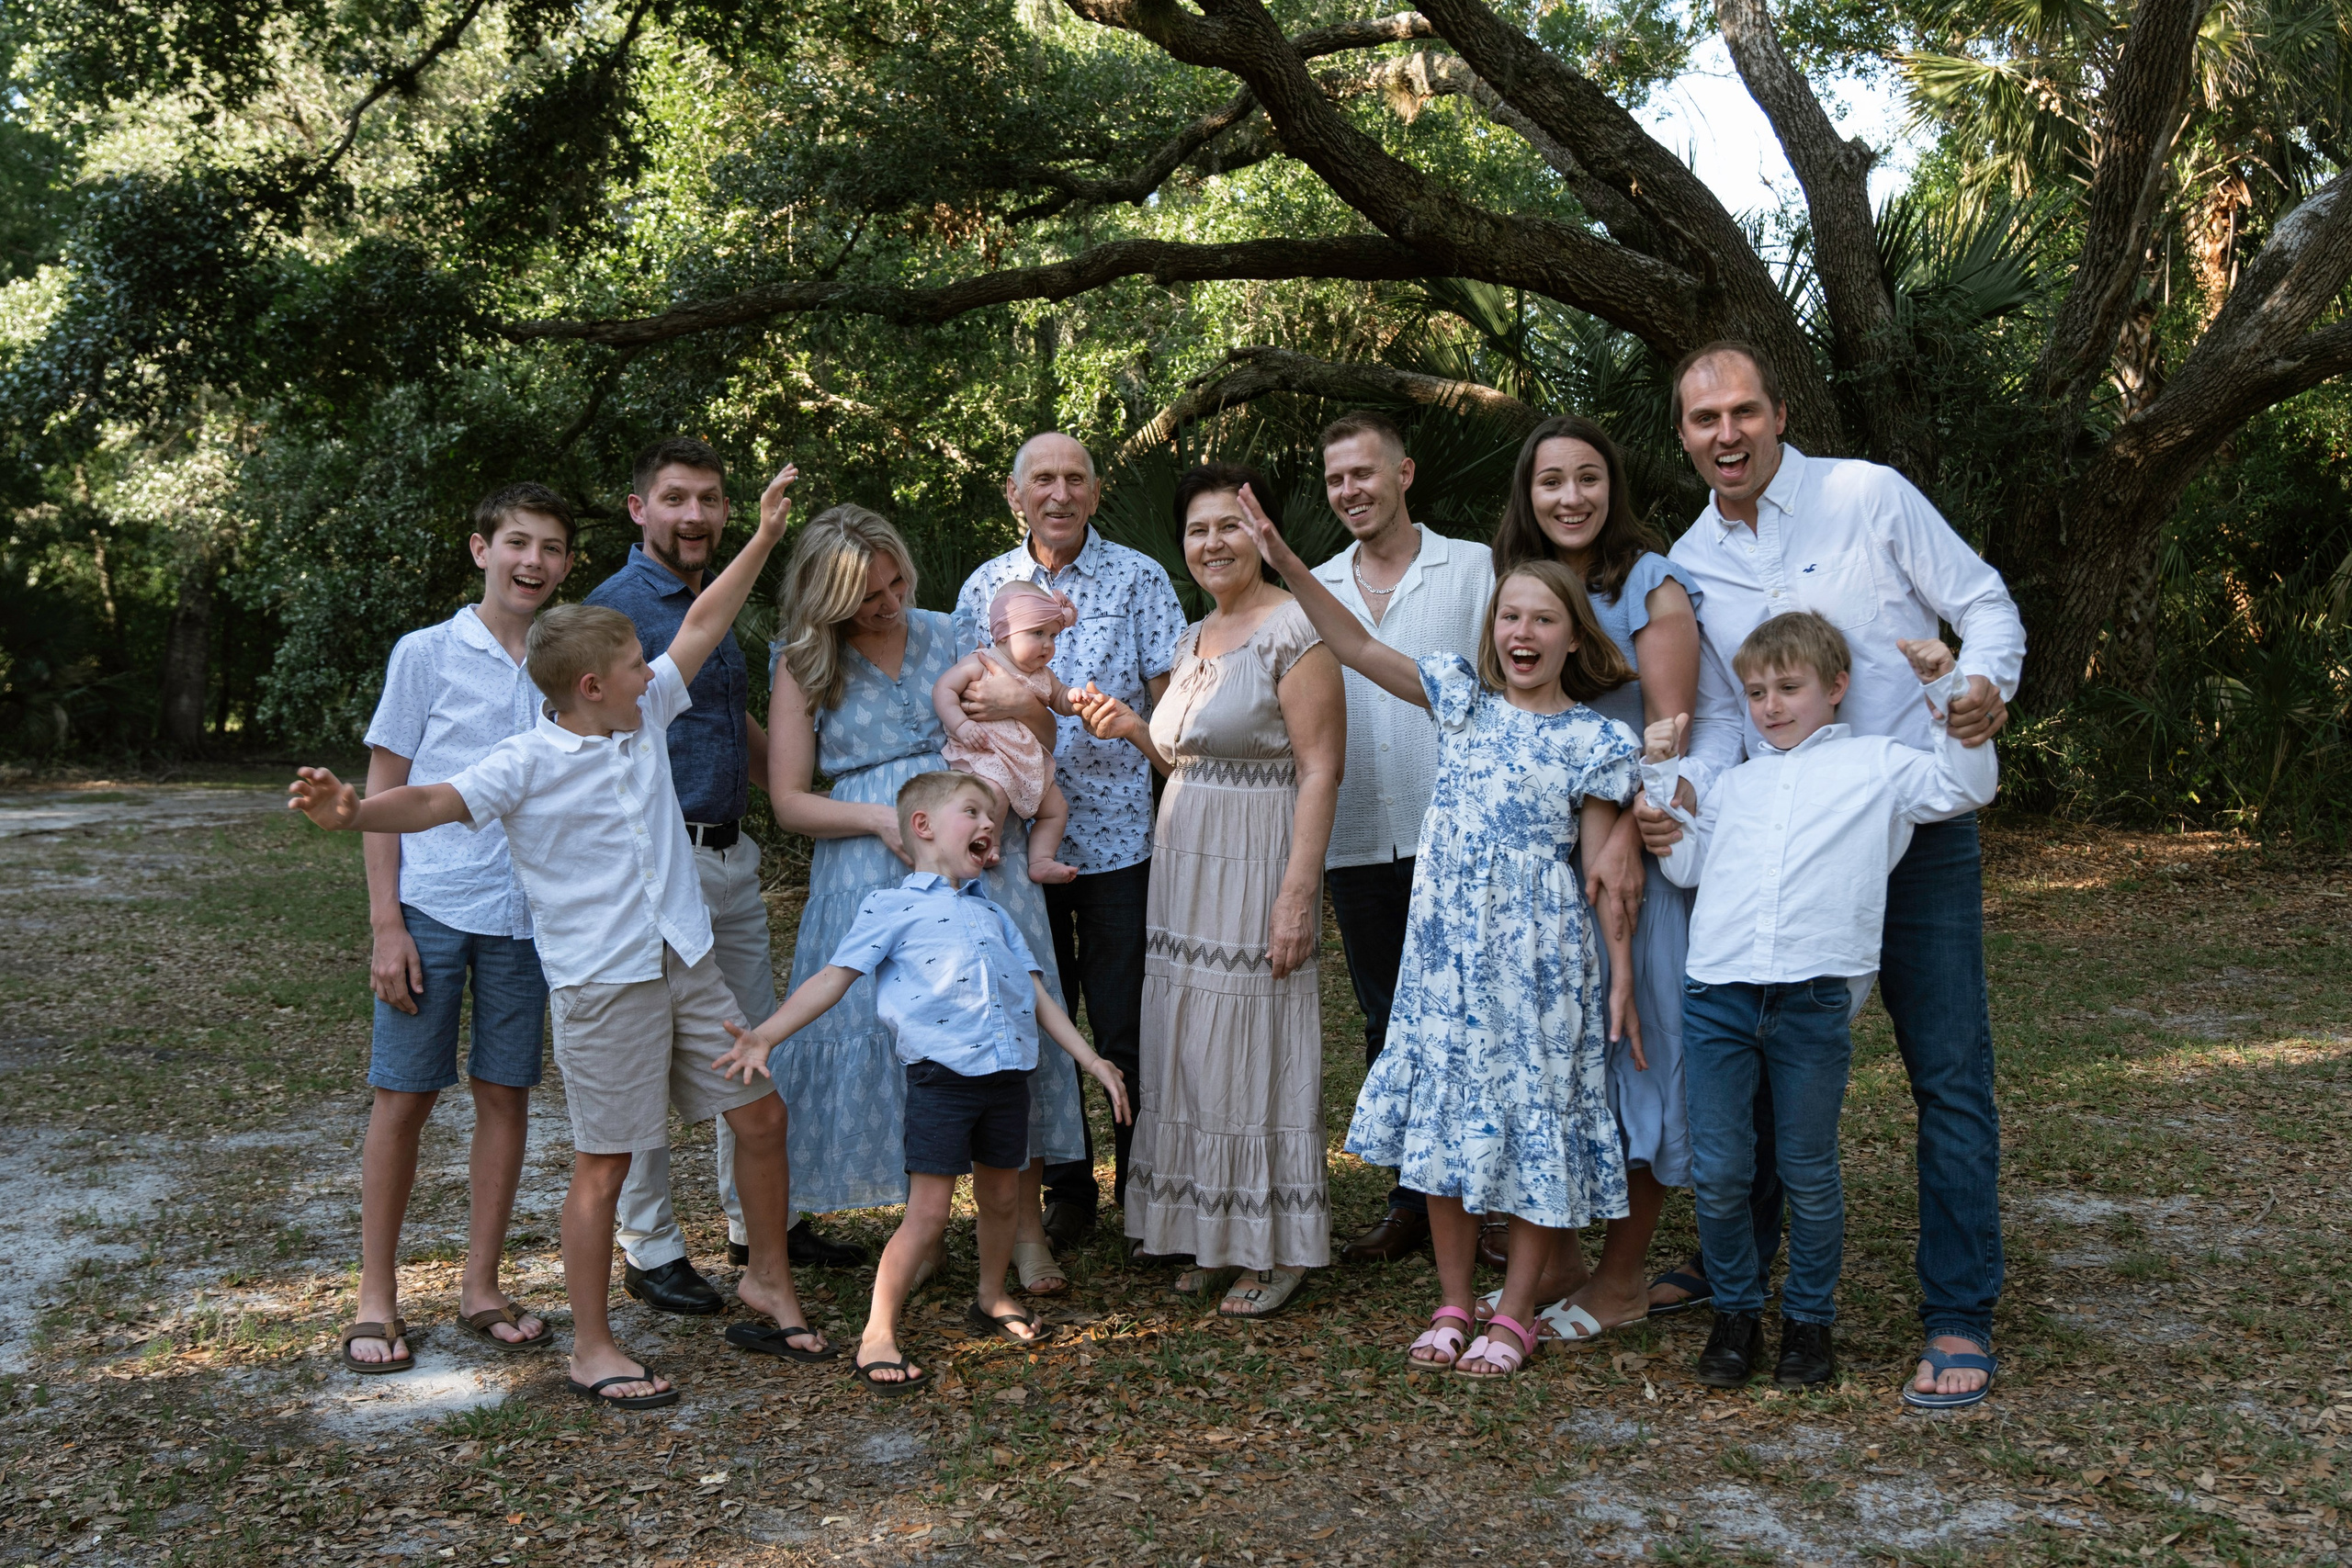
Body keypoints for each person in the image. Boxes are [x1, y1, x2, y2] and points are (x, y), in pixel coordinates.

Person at [288, 468, 824, 1409]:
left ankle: (767, 1281)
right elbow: (432, 798)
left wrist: (766, 538)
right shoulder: (523, 762)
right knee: (604, 1164)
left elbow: (704, 624)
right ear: (592, 685)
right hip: (604, 984)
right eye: (636, 662)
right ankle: (592, 1347)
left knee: (762, 1116)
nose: (654, 671)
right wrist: (355, 812)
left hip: (686, 961)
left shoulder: (643, 715)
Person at [1641, 341, 2025, 1409]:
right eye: (1704, 418)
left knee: (1946, 1073)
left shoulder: (1867, 497)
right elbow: (1729, 718)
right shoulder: (1692, 560)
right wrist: (1685, 800)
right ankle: (1742, 1276)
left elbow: (1983, 602)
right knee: (1760, 1058)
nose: (1726, 433)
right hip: (1785, 855)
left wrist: (1976, 690)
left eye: (1743, 411)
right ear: (1684, 435)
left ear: (1777, 413)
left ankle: (1957, 1311)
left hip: (1911, 817)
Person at [1246, 483, 1644, 1377]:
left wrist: (1619, 975)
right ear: (1492, 629)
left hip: (1540, 968)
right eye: (1510, 616)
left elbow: (1604, 876)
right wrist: (1287, 561)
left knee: (1534, 1127)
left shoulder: (1593, 742)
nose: (1523, 632)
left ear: (1572, 637)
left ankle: (1516, 1311)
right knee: (1444, 1128)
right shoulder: (1462, 699)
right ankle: (1455, 1301)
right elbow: (1353, 643)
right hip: (1446, 964)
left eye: (1544, 619)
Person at [1641, 613, 1996, 1388]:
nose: (1770, 706)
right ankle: (1736, 1309)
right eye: (1756, 692)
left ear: (1836, 687)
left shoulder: (1878, 764)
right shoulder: (1735, 782)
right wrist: (1662, 783)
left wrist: (1946, 688)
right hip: (1719, 993)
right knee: (1722, 1168)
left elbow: (1969, 785)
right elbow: (1686, 867)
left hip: (1811, 998)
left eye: (1788, 687)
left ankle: (1809, 1319)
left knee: (1807, 1168)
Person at [713, 772, 1133, 1392]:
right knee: (929, 1212)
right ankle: (877, 1334)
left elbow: (1038, 996)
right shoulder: (891, 906)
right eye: (973, 812)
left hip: (1007, 1078)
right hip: (942, 1081)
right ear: (923, 825)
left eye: (991, 816)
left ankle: (991, 1296)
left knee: (1002, 1199)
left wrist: (1091, 1059)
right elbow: (833, 977)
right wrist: (766, 1035)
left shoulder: (995, 911)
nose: (989, 823)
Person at [764, 503, 1090, 1298]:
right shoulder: (805, 662)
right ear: (826, 598)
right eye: (868, 595)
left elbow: (1037, 743)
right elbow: (788, 801)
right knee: (901, 1039)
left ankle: (1024, 1230)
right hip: (869, 864)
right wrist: (881, 819)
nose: (889, 602)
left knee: (1005, 1021)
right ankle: (928, 1226)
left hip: (981, 852)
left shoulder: (953, 635)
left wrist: (1022, 720)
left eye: (896, 583)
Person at [1476, 415, 1742, 1344]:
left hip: (1631, 861)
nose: (1570, 497)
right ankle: (1554, 1258)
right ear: (1528, 493)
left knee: (1639, 1052)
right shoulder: (1514, 586)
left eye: (1588, 477)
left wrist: (1628, 833)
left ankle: (1624, 1275)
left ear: (1612, 487)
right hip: (1535, 874)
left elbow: (1669, 736)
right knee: (1549, 1056)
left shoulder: (1650, 585)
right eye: (1551, 480)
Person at [595, 438, 862, 1322]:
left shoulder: (711, 598)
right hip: (651, 868)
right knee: (646, 1055)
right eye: (675, 498)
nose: (695, 515)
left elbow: (721, 720)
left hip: (728, 855)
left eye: (709, 498)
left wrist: (798, 790)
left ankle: (759, 1229)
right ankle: (650, 1246)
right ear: (639, 509)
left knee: (746, 1042)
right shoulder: (617, 609)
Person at [1070, 463, 1345, 1319]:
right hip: (1185, 867)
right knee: (1191, 1042)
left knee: (1254, 1036)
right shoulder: (1192, 637)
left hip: (1258, 860)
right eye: (1198, 529)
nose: (1213, 542)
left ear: (1262, 534)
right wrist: (1133, 728)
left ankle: (1275, 1244)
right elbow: (1191, 758)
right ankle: (1211, 1232)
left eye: (1231, 524)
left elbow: (1321, 767)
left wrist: (1297, 893)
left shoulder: (1295, 628)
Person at [342, 483, 576, 1372]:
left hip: (526, 918)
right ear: (482, 549)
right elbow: (384, 790)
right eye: (518, 542)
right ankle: (376, 1296)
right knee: (403, 1095)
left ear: (566, 565)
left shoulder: (566, 660)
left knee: (505, 1094)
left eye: (550, 547)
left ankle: (482, 1285)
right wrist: (386, 924)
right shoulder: (427, 653)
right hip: (432, 905)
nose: (532, 561)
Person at [954, 434, 1186, 1249]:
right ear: (1015, 494)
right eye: (1043, 479)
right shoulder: (982, 586)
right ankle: (1068, 1187)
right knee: (1042, 1012)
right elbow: (960, 701)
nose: (1060, 493)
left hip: (1121, 838)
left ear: (1094, 490)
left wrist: (1139, 734)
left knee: (1126, 1020)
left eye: (1075, 478)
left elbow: (1175, 706)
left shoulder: (1140, 577)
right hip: (1020, 845)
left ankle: (1143, 1187)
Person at [1305, 411, 1496, 1269]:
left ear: (1404, 473)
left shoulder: (1475, 569)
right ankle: (1412, 1198)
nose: (1350, 490)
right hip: (1356, 837)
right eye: (1336, 479)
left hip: (1454, 834)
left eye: (1364, 472)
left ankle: (1486, 1199)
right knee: (1388, 1020)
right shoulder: (1314, 586)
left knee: (1472, 1017)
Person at [933, 581, 1082, 885]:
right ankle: (990, 845)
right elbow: (943, 689)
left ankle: (1041, 860)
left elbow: (1059, 698)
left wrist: (1075, 699)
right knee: (995, 793)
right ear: (1004, 633)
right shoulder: (981, 662)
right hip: (988, 752)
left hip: (1027, 760)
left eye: (1053, 636)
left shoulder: (1044, 675)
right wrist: (961, 724)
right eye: (1037, 633)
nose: (1047, 645)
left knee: (1056, 809)